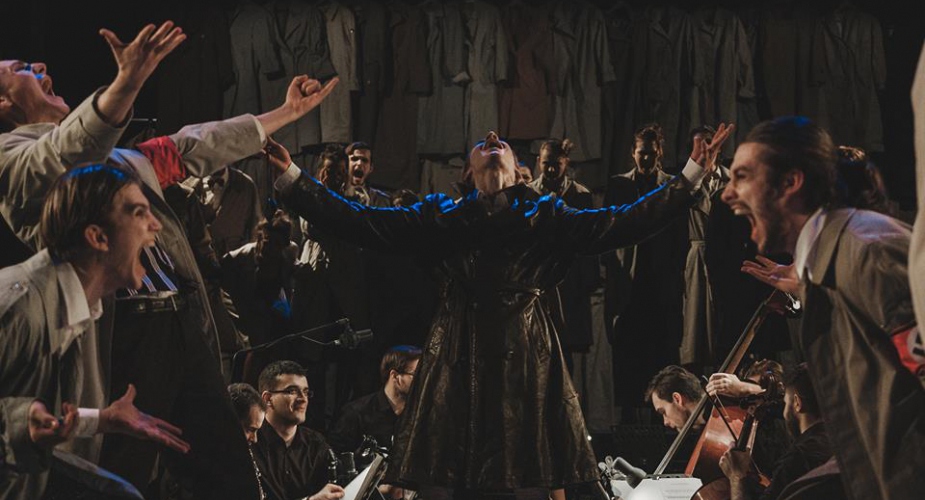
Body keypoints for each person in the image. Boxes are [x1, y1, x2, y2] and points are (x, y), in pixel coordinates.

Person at [264, 120, 733, 498]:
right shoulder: (441, 217)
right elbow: (362, 221)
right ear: (469, 173)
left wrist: (690, 175)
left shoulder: (547, 216)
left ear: (517, 170)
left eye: (501, 141)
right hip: (456, 357)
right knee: (455, 477)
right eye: (482, 142)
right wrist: (294, 180)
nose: (491, 137)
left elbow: (621, 223)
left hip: (526, 358)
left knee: (525, 476)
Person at [0, 21, 339, 497]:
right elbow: (57, 159)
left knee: (230, 478)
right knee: (121, 478)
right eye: (19, 68)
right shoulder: (11, 160)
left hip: (182, 322)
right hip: (125, 338)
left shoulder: (121, 159)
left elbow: (192, 145)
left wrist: (285, 112)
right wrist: (126, 83)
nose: (39, 66)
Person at [721, 116, 925, 499]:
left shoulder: (869, 255)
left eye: (743, 177)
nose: (727, 195)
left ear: (791, 183)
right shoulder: (836, 263)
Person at [0, 165, 189, 499]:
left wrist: (100, 420)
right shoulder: (18, 308)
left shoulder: (72, 307)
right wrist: (20, 424)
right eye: (139, 213)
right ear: (98, 237)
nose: (156, 225)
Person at [604, 124, 689, 422]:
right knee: (628, 355)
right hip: (629, 282)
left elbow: (680, 234)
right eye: (642, 153)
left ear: (659, 153)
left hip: (660, 281)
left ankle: (662, 422)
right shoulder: (619, 185)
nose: (646, 159)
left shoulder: (670, 185)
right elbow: (608, 230)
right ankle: (629, 425)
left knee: (661, 353)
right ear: (633, 153)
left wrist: (675, 273)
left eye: (651, 154)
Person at [719, 363, 840, 500]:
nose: (783, 412)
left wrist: (736, 476)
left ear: (797, 403)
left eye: (786, 403)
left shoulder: (798, 459)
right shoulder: (844, 442)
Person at [528, 138, 596, 372]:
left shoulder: (580, 195)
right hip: (538, 280)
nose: (550, 169)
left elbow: (588, 243)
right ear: (538, 161)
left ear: (565, 162)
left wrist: (588, 281)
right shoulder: (529, 194)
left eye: (556, 164)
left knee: (566, 352)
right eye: (546, 163)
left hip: (570, 282)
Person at [254, 361, 344, 500]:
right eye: (292, 391)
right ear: (268, 399)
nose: (303, 399)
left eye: (306, 392)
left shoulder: (316, 444)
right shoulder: (250, 443)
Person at [327, 345, 422, 456]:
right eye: (416, 374)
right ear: (395, 376)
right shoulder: (356, 413)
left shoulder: (420, 413)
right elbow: (334, 456)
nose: (422, 380)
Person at [345, 141, 391, 207]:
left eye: (364, 160)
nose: (359, 163)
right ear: (346, 164)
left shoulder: (380, 199)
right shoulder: (335, 194)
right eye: (354, 159)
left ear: (371, 168)